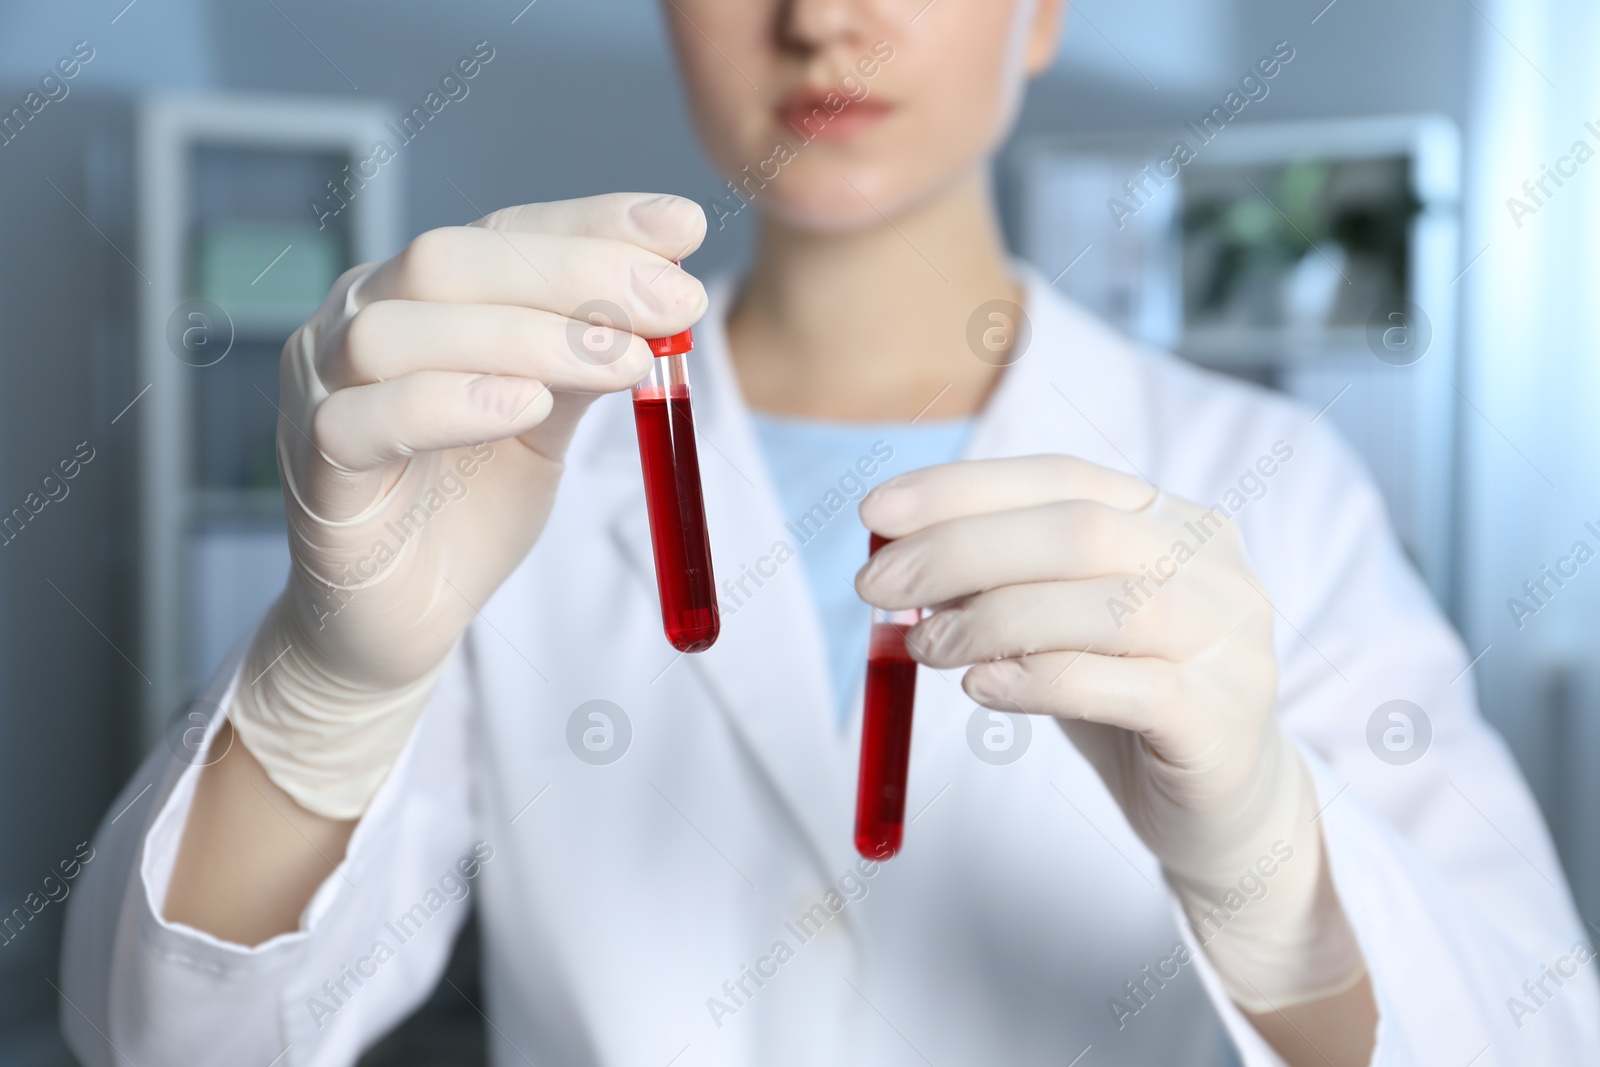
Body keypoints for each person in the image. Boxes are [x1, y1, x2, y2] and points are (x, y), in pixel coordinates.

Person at [61, 1, 1598, 1065]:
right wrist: (327, 688)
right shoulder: (515, 455)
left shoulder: (1270, 477)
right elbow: (165, 1041)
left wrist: (1273, 874)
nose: (820, 16)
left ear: (1043, 12)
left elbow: (1535, 1038)